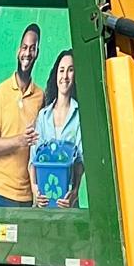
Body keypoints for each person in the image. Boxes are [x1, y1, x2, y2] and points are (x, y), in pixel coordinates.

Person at [0, 23, 43, 207]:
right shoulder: (1, 92)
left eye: (32, 48)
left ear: (37, 53)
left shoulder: (40, 96)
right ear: (18, 51)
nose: (28, 53)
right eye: (25, 47)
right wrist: (20, 140)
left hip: (28, 197)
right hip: (1, 194)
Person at [30, 49, 85, 208]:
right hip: (43, 203)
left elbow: (80, 161)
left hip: (67, 203)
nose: (65, 76)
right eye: (61, 70)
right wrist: (35, 190)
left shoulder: (79, 115)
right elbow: (33, 159)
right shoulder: (43, 116)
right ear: (56, 75)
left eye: (70, 70)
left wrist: (74, 193)